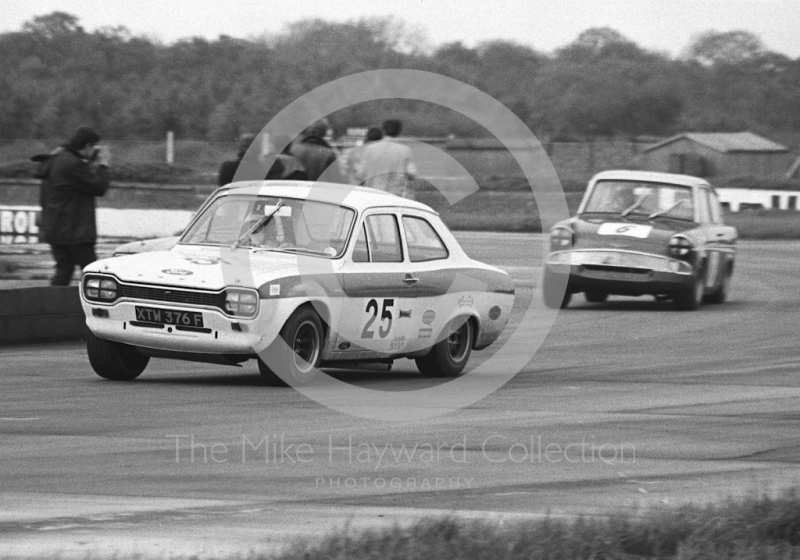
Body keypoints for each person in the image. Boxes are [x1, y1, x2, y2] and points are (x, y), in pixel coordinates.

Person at [36, 126, 110, 286]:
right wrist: (103, 165)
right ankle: (97, 308)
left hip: (56, 229)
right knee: (94, 273)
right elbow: (99, 187)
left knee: (63, 271)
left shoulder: (56, 159)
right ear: (88, 146)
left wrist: (90, 162)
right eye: (95, 147)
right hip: (75, 232)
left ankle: (52, 308)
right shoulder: (74, 164)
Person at [355, 119, 417, 197]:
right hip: (396, 195)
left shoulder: (369, 149)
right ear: (399, 131)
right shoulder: (405, 150)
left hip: (373, 194)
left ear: (383, 130)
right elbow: (411, 174)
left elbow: (360, 174)